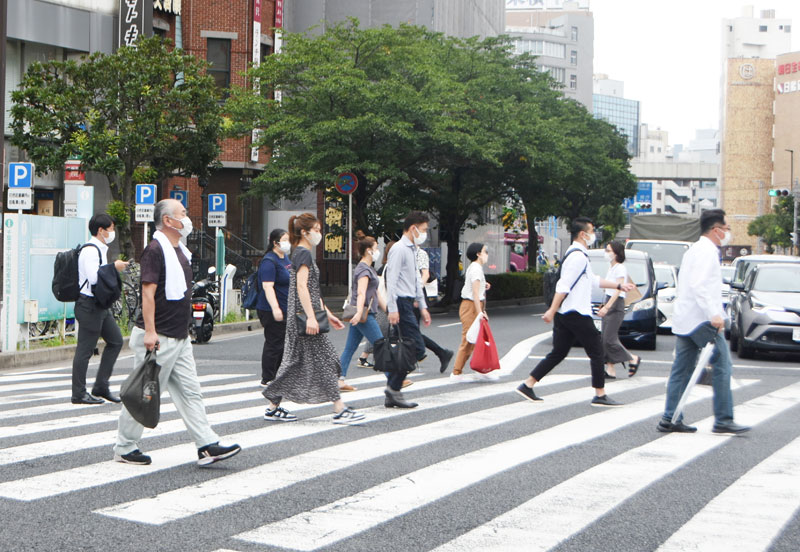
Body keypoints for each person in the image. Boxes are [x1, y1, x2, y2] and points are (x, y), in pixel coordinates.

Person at [114, 199, 241, 466]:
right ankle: (125, 447)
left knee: (190, 392)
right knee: (143, 394)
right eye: (183, 213)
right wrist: (150, 332)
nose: (187, 217)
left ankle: (206, 444)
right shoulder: (155, 250)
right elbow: (147, 292)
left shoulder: (179, 250)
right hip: (158, 337)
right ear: (169, 221)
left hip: (179, 336)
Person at [515, 217, 635, 407]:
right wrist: (551, 310)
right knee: (597, 350)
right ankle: (600, 394)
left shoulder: (579, 255)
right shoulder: (577, 257)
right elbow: (563, 286)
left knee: (559, 352)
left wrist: (619, 285)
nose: (593, 235)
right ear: (582, 234)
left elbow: (593, 280)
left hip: (568, 313)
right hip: (576, 313)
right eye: (592, 231)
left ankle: (528, 384)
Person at [261, 213, 365, 424]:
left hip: (304, 315)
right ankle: (339, 409)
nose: (319, 234)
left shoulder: (301, 254)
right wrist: (311, 317)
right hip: (304, 317)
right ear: (304, 232)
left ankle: (273, 406)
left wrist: (326, 313)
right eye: (316, 230)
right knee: (324, 360)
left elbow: (312, 289)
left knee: (294, 362)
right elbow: (301, 287)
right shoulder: (303, 254)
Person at [657, 209, 750, 435]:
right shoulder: (707, 252)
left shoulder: (694, 249)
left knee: (682, 369)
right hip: (702, 321)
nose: (728, 233)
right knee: (723, 365)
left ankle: (670, 417)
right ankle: (723, 419)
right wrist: (714, 315)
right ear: (716, 230)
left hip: (686, 319)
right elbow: (700, 286)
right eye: (726, 229)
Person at [71, 213, 128, 405]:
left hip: (100, 305)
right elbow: (95, 278)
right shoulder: (90, 250)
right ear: (101, 230)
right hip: (88, 305)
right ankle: (78, 393)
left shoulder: (101, 249)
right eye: (111, 228)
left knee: (116, 340)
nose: (113, 232)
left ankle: (101, 386)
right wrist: (115, 267)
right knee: (85, 350)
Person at [385, 212, 433, 408]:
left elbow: (415, 279)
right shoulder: (398, 249)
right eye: (423, 230)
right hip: (401, 304)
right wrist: (393, 308)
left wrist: (423, 306)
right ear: (413, 228)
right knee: (416, 348)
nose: (424, 234)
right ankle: (393, 388)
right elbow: (392, 280)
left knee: (407, 348)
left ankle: (393, 389)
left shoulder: (412, 250)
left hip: (408, 302)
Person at [338, 236, 387, 393]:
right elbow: (361, 292)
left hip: (363, 313)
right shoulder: (364, 270)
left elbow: (377, 294)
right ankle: (394, 378)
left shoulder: (369, 268)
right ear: (369, 250)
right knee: (380, 344)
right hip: (364, 314)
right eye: (376, 247)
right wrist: (359, 313)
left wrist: (389, 311)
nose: (378, 251)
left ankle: (339, 380)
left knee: (350, 348)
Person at [597, 241, 642, 379]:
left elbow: (618, 289)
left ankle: (632, 358)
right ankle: (610, 369)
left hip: (615, 304)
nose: (606, 253)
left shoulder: (620, 268)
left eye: (608, 250)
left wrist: (607, 307)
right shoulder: (611, 267)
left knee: (609, 340)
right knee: (605, 338)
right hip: (609, 301)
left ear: (616, 253)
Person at [256, 228, 292, 387]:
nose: (287, 243)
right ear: (275, 242)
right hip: (271, 309)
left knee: (283, 343)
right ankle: (267, 378)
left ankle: (278, 376)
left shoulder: (286, 259)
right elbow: (267, 287)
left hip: (286, 307)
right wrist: (276, 308)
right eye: (284, 240)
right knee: (274, 342)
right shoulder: (269, 261)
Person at [451, 243, 492, 381]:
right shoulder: (475, 269)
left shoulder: (476, 268)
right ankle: (457, 372)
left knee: (477, 339)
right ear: (478, 254)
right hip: (470, 307)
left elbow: (476, 290)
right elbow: (475, 293)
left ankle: (481, 369)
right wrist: (480, 313)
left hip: (473, 305)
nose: (487, 254)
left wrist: (484, 286)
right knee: (469, 339)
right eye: (485, 251)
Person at [415, 246, 454, 373]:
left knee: (408, 330)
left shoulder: (420, 253)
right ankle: (440, 353)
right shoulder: (404, 251)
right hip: (406, 296)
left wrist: (416, 292)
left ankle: (416, 355)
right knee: (407, 330)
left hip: (413, 298)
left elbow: (425, 273)